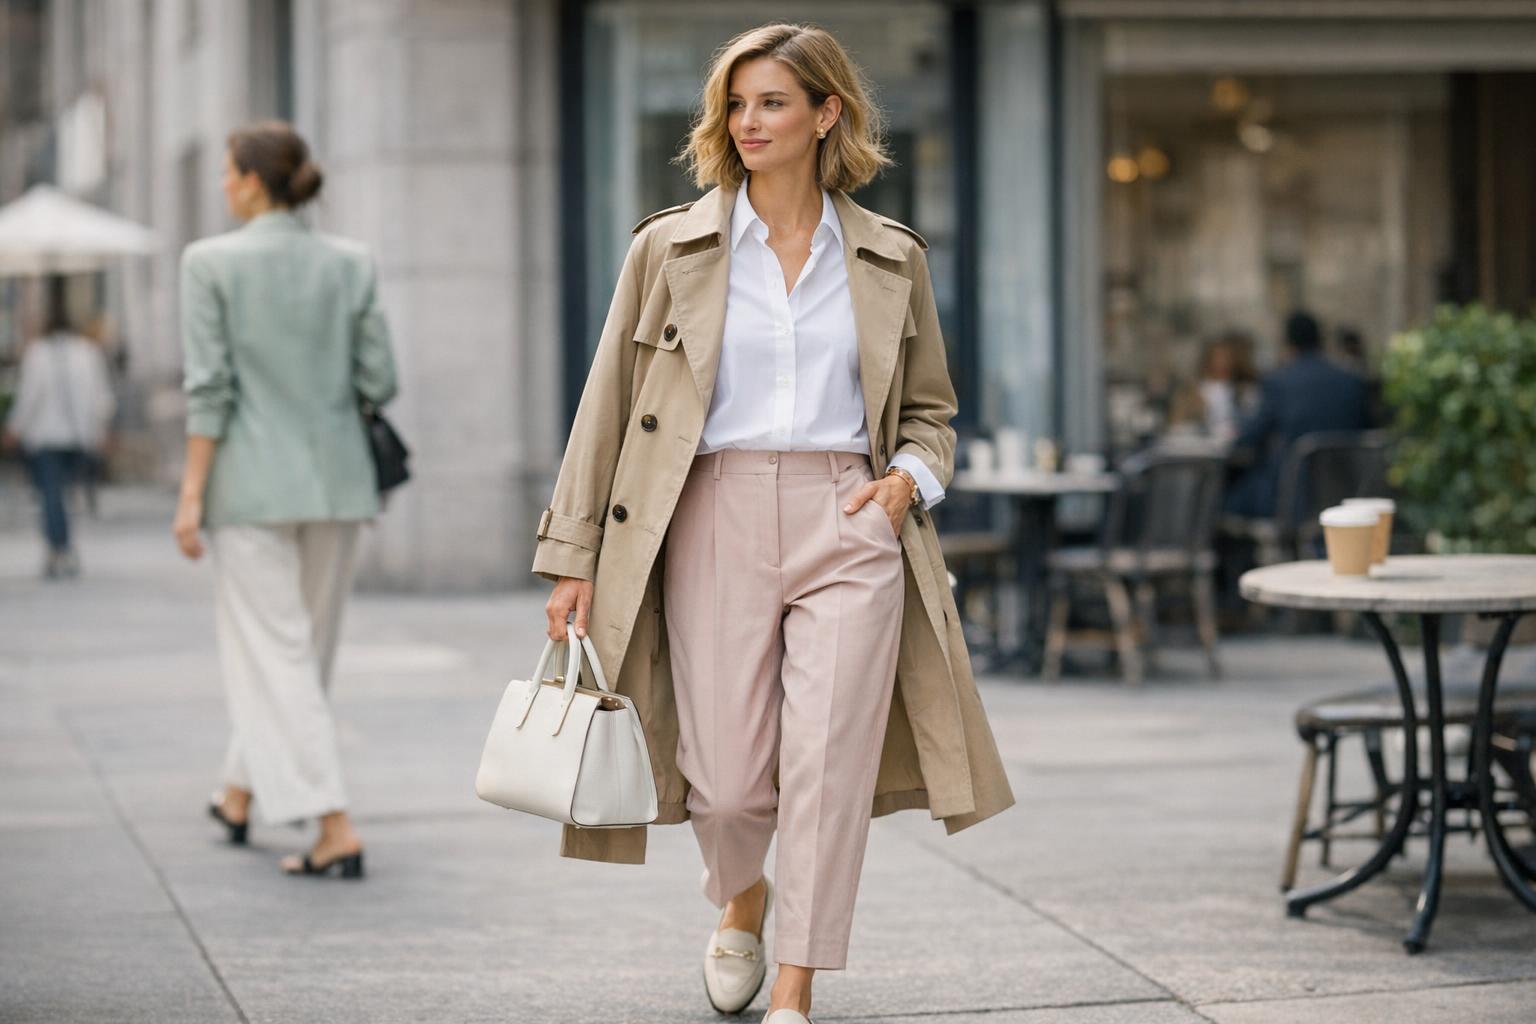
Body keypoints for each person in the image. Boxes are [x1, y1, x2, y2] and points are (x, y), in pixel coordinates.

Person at [534, 24, 1013, 1024]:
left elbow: (931, 411)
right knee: (727, 785)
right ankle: (742, 896)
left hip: (850, 518)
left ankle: (795, 984)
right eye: (737, 104)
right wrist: (572, 555)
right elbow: (606, 403)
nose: (748, 122)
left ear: (827, 114)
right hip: (710, 512)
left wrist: (905, 485)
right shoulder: (670, 248)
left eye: (773, 103)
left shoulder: (889, 257)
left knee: (828, 766)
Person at [174, 121, 398, 880]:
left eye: (226, 172)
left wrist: (190, 494)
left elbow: (209, 390)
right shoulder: (350, 262)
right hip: (337, 483)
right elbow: (381, 379)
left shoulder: (209, 263)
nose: (222, 185)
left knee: (275, 657)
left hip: (249, 487)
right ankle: (238, 793)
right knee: (301, 654)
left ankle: (333, 824)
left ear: (249, 182)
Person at [2, 277, 116, 578]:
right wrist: (100, 430)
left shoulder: (37, 354)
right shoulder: (87, 353)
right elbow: (101, 396)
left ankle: (58, 548)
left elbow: (28, 397)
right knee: (65, 494)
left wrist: (14, 428)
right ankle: (63, 545)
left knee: (50, 495)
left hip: (46, 437)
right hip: (79, 437)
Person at [1225, 311, 1372, 518]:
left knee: (1226, 497)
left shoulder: (1278, 382)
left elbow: (1249, 437)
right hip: (1345, 491)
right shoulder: (1352, 381)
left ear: (1288, 344)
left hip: (1292, 498)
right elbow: (1366, 431)